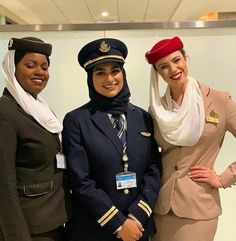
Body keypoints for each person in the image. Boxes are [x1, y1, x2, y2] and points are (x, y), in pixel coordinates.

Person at [62, 38, 162, 241]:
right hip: (95, 229)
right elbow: (81, 180)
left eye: (114, 71)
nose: (109, 78)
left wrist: (137, 216)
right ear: (91, 78)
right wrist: (118, 223)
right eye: (100, 73)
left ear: (123, 74)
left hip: (137, 228)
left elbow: (153, 169)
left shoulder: (142, 117)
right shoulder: (77, 120)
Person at [145, 36, 236, 241]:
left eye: (177, 60)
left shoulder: (219, 100)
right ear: (158, 73)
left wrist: (223, 178)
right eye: (164, 66)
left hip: (198, 206)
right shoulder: (157, 110)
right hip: (160, 206)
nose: (173, 69)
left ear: (186, 58)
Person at [0, 37, 70, 241]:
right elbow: (3, 183)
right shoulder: (5, 111)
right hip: (30, 227)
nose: (40, 72)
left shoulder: (39, 108)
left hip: (53, 218)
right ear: (13, 67)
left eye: (44, 67)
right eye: (30, 65)